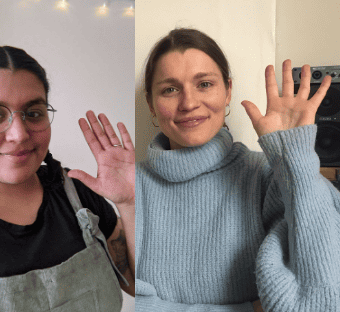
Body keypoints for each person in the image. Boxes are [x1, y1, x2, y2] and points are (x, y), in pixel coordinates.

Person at [135, 28, 340, 312]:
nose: (189, 103)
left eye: (204, 84)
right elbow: (128, 303)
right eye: (170, 89)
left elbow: (322, 298)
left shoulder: (267, 175)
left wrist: (294, 158)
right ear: (152, 105)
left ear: (228, 91)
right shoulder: (130, 186)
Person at [0, 45, 135, 312]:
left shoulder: (78, 193)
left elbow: (136, 282)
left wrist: (129, 203)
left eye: (33, 113)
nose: (19, 134)